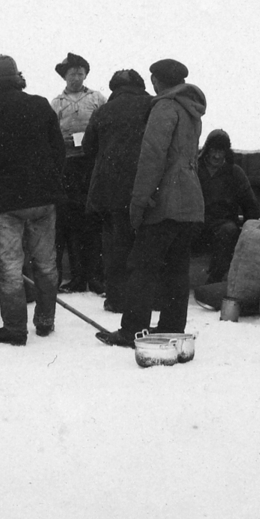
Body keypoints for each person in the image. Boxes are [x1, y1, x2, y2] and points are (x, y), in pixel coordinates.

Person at [0, 55, 66, 346]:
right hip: (43, 199)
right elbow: (59, 151)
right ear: (18, 77)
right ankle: (45, 321)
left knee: (9, 268)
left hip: (6, 204)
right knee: (46, 264)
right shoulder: (40, 104)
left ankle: (16, 329)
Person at [98, 59, 206, 347]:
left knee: (141, 266)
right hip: (191, 201)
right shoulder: (191, 109)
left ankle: (131, 330)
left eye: (153, 78)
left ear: (160, 80)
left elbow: (152, 159)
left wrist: (139, 203)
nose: (152, 84)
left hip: (166, 202)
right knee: (176, 269)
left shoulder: (164, 108)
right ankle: (171, 327)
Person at [81, 69, 154, 314]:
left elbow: (88, 147)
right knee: (144, 245)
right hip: (145, 189)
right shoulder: (152, 106)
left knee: (114, 247)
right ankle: (144, 299)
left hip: (109, 192)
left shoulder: (102, 111)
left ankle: (116, 299)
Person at [50, 52, 107, 294]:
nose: (76, 77)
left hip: (92, 165)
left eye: (80, 73)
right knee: (72, 224)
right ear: (65, 76)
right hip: (68, 167)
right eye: (72, 73)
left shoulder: (97, 98)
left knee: (93, 223)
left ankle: (95, 277)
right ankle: (76, 278)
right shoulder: (56, 103)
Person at [192, 129, 260, 284]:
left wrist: (251, 234)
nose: (216, 156)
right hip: (195, 222)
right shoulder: (194, 168)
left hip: (222, 225)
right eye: (213, 150)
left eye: (221, 151)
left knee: (228, 231)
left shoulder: (235, 173)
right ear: (207, 149)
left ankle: (214, 281)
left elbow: (251, 206)